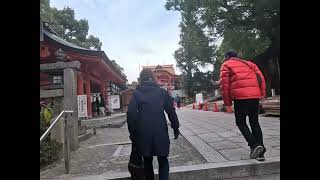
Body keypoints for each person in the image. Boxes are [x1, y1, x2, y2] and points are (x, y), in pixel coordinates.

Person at [127, 69, 180, 180]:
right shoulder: (161, 93)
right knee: (163, 159)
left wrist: (133, 133)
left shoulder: (137, 93)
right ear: (153, 78)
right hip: (160, 130)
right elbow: (171, 111)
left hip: (143, 132)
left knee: (147, 160)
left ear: (141, 79)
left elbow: (131, 113)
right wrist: (175, 127)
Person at [219, 50, 267, 161]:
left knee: (240, 122)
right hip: (254, 96)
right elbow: (261, 78)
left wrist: (227, 103)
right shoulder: (250, 64)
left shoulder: (226, 65)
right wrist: (262, 94)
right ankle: (261, 153)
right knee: (254, 122)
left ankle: (254, 145)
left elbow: (224, 85)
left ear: (227, 56)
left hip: (240, 97)